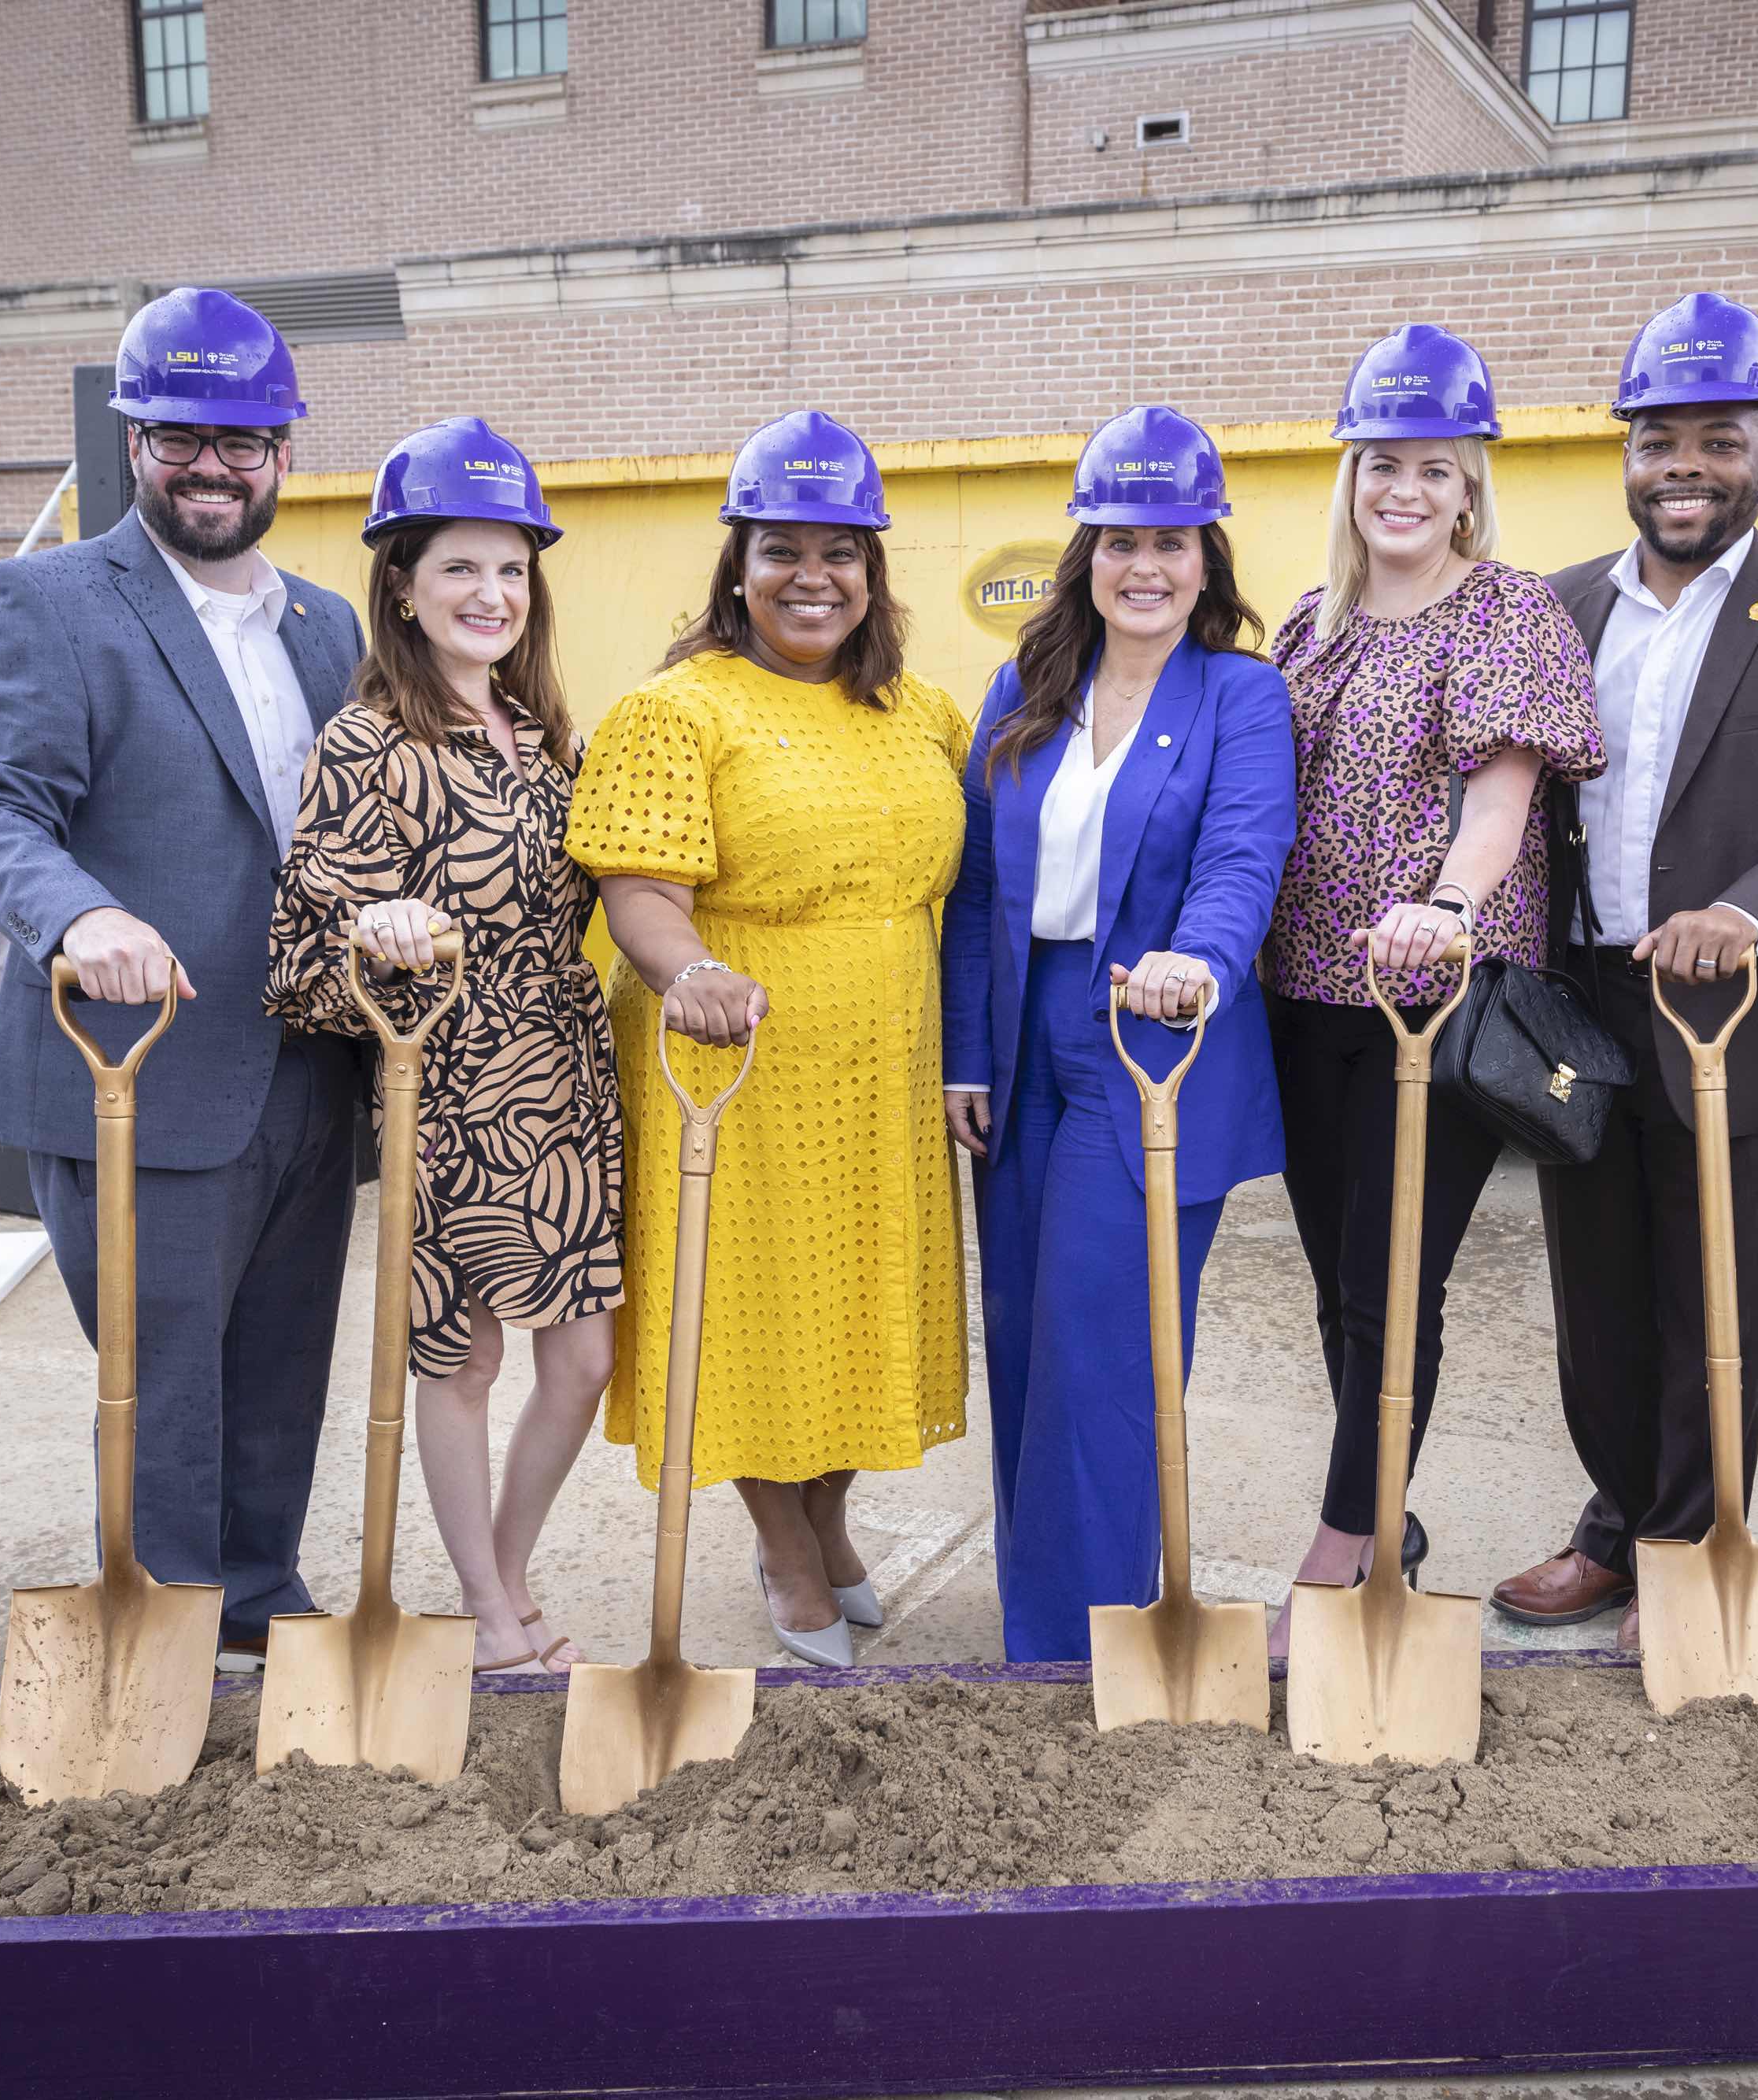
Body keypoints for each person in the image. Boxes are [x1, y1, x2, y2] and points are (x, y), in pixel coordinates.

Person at [0, 287, 368, 1674]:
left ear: (286, 449)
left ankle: (255, 1595)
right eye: (183, 437)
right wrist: (76, 917)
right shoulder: (48, 602)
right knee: (161, 1384)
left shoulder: (325, 626)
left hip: (308, 1065)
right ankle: (165, 1639)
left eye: (244, 440)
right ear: (135, 440)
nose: (215, 466)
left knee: (283, 1365)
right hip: (139, 1070)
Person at [1490, 294, 1758, 1637]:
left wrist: (1749, 910)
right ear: (1625, 454)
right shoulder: (1555, 607)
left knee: (1715, 1297)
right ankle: (1617, 1527)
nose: (1686, 465)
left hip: (1739, 1006)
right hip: (1583, 1005)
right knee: (1599, 1297)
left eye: (1719, 440)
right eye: (1659, 439)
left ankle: (1689, 1545)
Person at [567, 411, 969, 1669]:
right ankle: (784, 1549)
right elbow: (637, 890)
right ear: (736, 567)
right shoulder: (674, 712)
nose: (813, 576)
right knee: (744, 1314)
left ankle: (830, 1520)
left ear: (873, 573)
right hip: (733, 1059)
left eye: (841, 552)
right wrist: (690, 973)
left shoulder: (921, 711)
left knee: (860, 1307)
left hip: (885, 1062)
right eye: (781, 549)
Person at [1262, 325, 1604, 1644]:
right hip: (1305, 996)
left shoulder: (1507, 610)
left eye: (1433, 469)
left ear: (1470, 485)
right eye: (1380, 465)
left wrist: (1446, 908)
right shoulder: (1313, 623)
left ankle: (1346, 1540)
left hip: (1433, 1003)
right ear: (1350, 477)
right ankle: (1379, 1490)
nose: (1403, 491)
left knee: (1389, 1280)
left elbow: (1500, 803)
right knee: (1330, 1274)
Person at [264, 418, 621, 1673]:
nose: (492, 594)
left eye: (513, 569)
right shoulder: (371, 741)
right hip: (449, 1084)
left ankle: (503, 1580)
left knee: (582, 1359)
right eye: (461, 568)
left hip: (565, 1081)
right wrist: (383, 928)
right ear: (402, 587)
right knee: (461, 1356)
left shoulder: (542, 733)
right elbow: (301, 956)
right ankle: (489, 1613)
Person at [940, 406, 1296, 1662]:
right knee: (1028, 1343)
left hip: (1152, 1039)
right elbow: (980, 879)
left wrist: (1197, 961)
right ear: (1087, 554)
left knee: (1106, 1346)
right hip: (1021, 1034)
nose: (1145, 568)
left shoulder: (1241, 696)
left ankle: (1074, 1644)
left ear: (1209, 560)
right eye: (1120, 542)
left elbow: (1244, 856)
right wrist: (967, 1057)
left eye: (1173, 543)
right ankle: (1048, 1608)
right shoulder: (1027, 685)